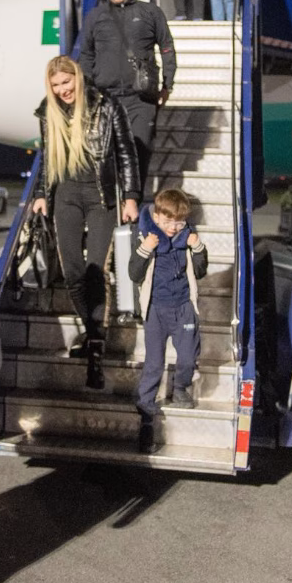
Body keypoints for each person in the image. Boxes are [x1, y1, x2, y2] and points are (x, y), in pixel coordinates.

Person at [28, 57, 140, 383]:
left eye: (66, 82)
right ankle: (94, 335)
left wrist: (131, 196)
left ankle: (94, 348)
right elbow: (46, 159)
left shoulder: (106, 105)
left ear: (77, 77)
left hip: (100, 197)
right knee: (73, 272)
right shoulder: (48, 112)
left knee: (96, 271)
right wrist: (40, 193)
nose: (62, 90)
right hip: (66, 195)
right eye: (55, 85)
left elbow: (126, 152)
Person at [77, 0, 175, 183]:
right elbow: (86, 55)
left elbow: (167, 48)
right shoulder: (95, 16)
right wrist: (88, 91)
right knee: (106, 159)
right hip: (105, 99)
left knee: (139, 155)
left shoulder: (151, 12)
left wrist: (167, 85)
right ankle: (113, 203)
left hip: (141, 100)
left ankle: (132, 201)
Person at [127, 188, 209, 454]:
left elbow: (200, 271)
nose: (173, 228)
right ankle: (146, 415)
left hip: (183, 307)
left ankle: (181, 388)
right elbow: (134, 273)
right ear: (156, 216)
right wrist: (145, 249)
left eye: (179, 222)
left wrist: (198, 248)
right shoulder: (146, 236)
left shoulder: (187, 236)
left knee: (187, 356)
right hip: (156, 309)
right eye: (167, 221)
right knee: (154, 363)